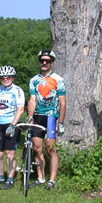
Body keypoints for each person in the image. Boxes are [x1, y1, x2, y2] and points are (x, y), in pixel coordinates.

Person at [26, 49, 66, 190]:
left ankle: (52, 180)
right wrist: (30, 116)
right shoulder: (34, 80)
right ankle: (41, 177)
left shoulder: (58, 79)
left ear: (52, 63)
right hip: (37, 116)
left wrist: (60, 122)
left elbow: (62, 102)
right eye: (42, 60)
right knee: (37, 148)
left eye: (47, 61)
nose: (44, 63)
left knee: (50, 148)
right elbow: (32, 100)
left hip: (51, 117)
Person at [0, 66, 25, 190]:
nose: (6, 79)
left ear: (12, 77)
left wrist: (13, 125)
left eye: (8, 77)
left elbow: (20, 110)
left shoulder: (17, 90)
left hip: (12, 124)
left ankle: (10, 179)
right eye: (3, 78)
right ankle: (0, 177)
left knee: (10, 154)